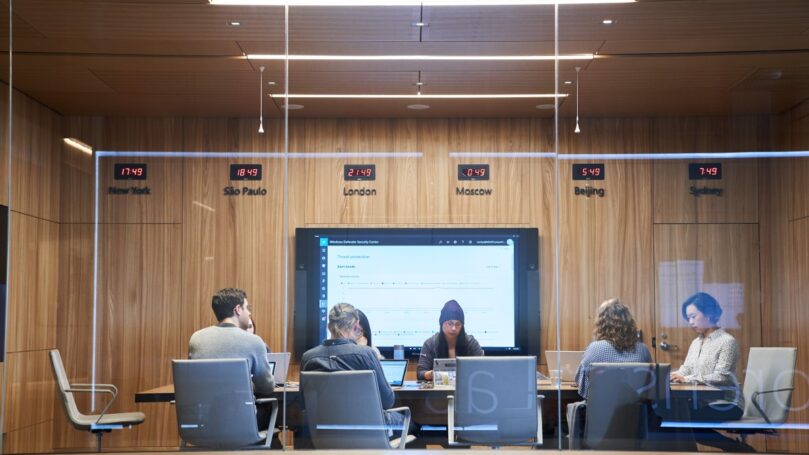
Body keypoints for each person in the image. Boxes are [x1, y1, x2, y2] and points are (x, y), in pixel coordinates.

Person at [300, 303, 408, 437]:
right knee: (411, 424)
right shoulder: (366, 354)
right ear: (356, 325)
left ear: (329, 327)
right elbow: (387, 401)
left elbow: (304, 403)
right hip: (367, 432)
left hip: (325, 433)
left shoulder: (308, 357)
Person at [188, 288, 276, 436]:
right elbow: (267, 387)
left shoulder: (196, 339)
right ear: (237, 309)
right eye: (247, 308)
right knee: (271, 409)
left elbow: (194, 381)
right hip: (243, 425)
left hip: (204, 424)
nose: (249, 313)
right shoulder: (254, 341)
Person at [671, 292, 743, 421]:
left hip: (726, 403)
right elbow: (686, 369)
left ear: (709, 313)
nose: (691, 322)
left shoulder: (727, 341)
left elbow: (721, 376)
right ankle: (736, 443)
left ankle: (736, 443)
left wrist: (686, 379)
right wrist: (672, 376)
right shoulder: (696, 342)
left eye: (693, 316)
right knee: (664, 412)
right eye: (688, 318)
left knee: (680, 417)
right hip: (701, 403)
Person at [574, 298, 652, 399]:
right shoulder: (643, 350)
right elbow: (650, 383)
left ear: (601, 324)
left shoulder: (594, 349)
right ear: (629, 322)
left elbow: (581, 383)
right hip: (636, 413)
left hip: (600, 412)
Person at [417, 299, 483, 381]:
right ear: (442, 324)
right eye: (450, 323)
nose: (454, 328)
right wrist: (431, 374)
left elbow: (482, 369)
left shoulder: (471, 343)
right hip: (437, 391)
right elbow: (420, 373)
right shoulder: (430, 343)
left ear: (462, 326)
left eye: (458, 324)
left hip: (467, 388)